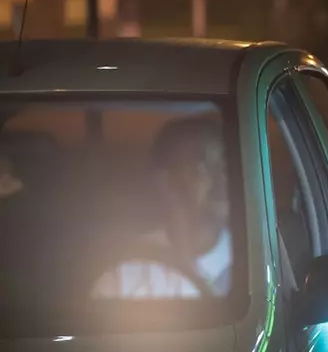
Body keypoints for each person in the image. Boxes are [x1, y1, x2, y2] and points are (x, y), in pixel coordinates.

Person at [92, 115, 233, 299]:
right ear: (167, 182)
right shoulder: (125, 273)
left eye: (224, 164)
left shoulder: (255, 260)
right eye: (202, 165)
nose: (221, 177)